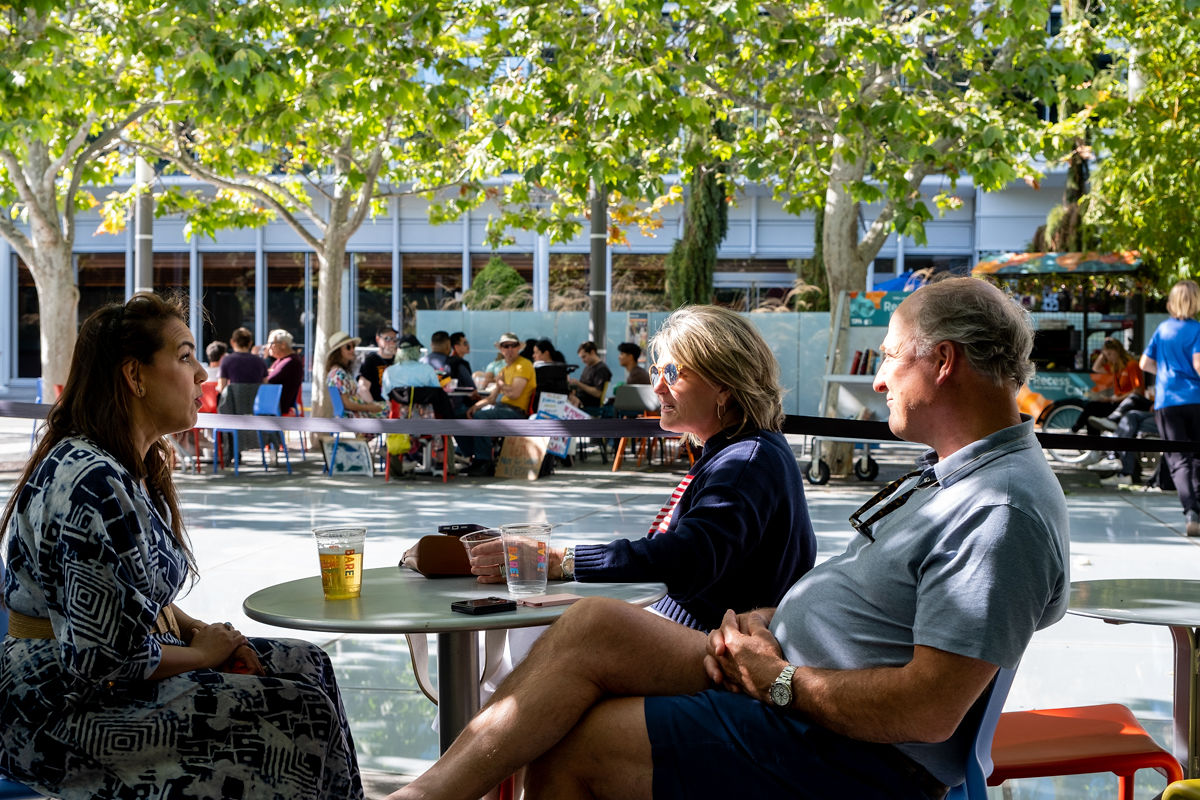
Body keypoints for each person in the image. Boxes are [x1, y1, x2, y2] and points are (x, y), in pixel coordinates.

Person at [389, 278, 1070, 800]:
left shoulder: (999, 507)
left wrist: (780, 683)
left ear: (943, 361)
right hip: (785, 674)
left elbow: (929, 709)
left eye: (891, 356)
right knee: (594, 628)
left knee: (575, 739)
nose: (878, 376)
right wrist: (774, 618)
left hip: (844, 750)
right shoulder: (961, 478)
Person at [0, 294, 362, 800]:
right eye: (186, 356)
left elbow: (133, 601)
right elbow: (103, 661)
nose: (202, 375)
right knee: (300, 710)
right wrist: (200, 654)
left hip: (108, 673)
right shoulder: (92, 481)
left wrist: (198, 632)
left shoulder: (124, 466)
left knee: (310, 666)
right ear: (135, 375)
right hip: (56, 705)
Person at [466, 305, 816, 632]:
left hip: (702, 645)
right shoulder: (737, 450)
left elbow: (687, 559)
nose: (658, 386)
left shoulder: (745, 463)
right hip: (680, 626)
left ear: (724, 384)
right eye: (656, 371)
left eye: (672, 373)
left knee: (547, 627)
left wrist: (563, 560)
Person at [1140, 279, 1200, 536]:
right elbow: (1198, 365)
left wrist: (1167, 374)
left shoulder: (1163, 329)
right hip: (1196, 399)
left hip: (1168, 401)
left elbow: (1144, 363)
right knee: (1197, 456)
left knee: (1178, 459)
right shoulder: (1197, 330)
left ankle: (1191, 512)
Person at [461, 332, 537, 476]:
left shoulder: (524, 365)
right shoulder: (504, 370)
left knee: (481, 417)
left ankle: (484, 461)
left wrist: (500, 383)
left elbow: (514, 394)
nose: (509, 349)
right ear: (501, 349)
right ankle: (474, 458)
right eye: (505, 346)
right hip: (503, 408)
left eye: (513, 346)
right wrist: (474, 407)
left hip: (517, 412)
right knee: (463, 415)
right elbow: (492, 398)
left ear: (519, 347)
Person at [1072, 337, 1147, 434]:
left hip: (1127, 405)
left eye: (1110, 354)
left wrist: (1114, 399)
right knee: (1092, 408)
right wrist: (1103, 353)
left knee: (1093, 409)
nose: (1108, 358)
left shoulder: (1131, 365)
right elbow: (1096, 368)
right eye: (1106, 355)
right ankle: (1084, 435)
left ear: (1118, 351)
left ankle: (1075, 430)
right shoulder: (1114, 367)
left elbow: (1137, 391)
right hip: (1116, 402)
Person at [325, 330, 386, 418]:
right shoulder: (338, 374)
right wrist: (369, 408)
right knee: (387, 410)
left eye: (353, 346)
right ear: (338, 352)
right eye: (348, 347)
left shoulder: (341, 372)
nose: (352, 350)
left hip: (358, 414)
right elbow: (346, 404)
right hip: (353, 417)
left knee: (387, 407)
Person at [382, 335, 443, 399]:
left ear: (398, 351)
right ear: (417, 350)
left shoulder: (389, 371)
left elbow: (385, 395)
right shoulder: (427, 369)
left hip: (396, 405)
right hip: (422, 404)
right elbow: (438, 392)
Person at [216, 326, 266, 393]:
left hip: (234, 399)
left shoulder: (226, 360)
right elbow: (266, 386)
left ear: (232, 342)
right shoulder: (260, 361)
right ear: (250, 343)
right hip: (256, 399)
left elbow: (222, 387)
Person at [264, 328, 303, 415]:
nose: (268, 347)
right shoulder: (281, 360)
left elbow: (269, 380)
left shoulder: (291, 361)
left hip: (280, 410)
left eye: (271, 343)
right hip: (273, 406)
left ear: (283, 345)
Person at [358, 324, 398, 402]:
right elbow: (363, 389)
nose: (392, 343)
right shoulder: (371, 360)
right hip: (379, 403)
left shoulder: (399, 360)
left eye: (394, 339)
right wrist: (375, 406)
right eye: (387, 339)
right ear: (378, 339)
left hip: (398, 404)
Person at [568, 341, 612, 410]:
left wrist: (578, 384)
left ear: (592, 352)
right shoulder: (588, 367)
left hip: (590, 405)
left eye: (584, 357)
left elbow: (598, 393)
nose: (583, 360)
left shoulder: (601, 369)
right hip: (581, 400)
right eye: (581, 358)